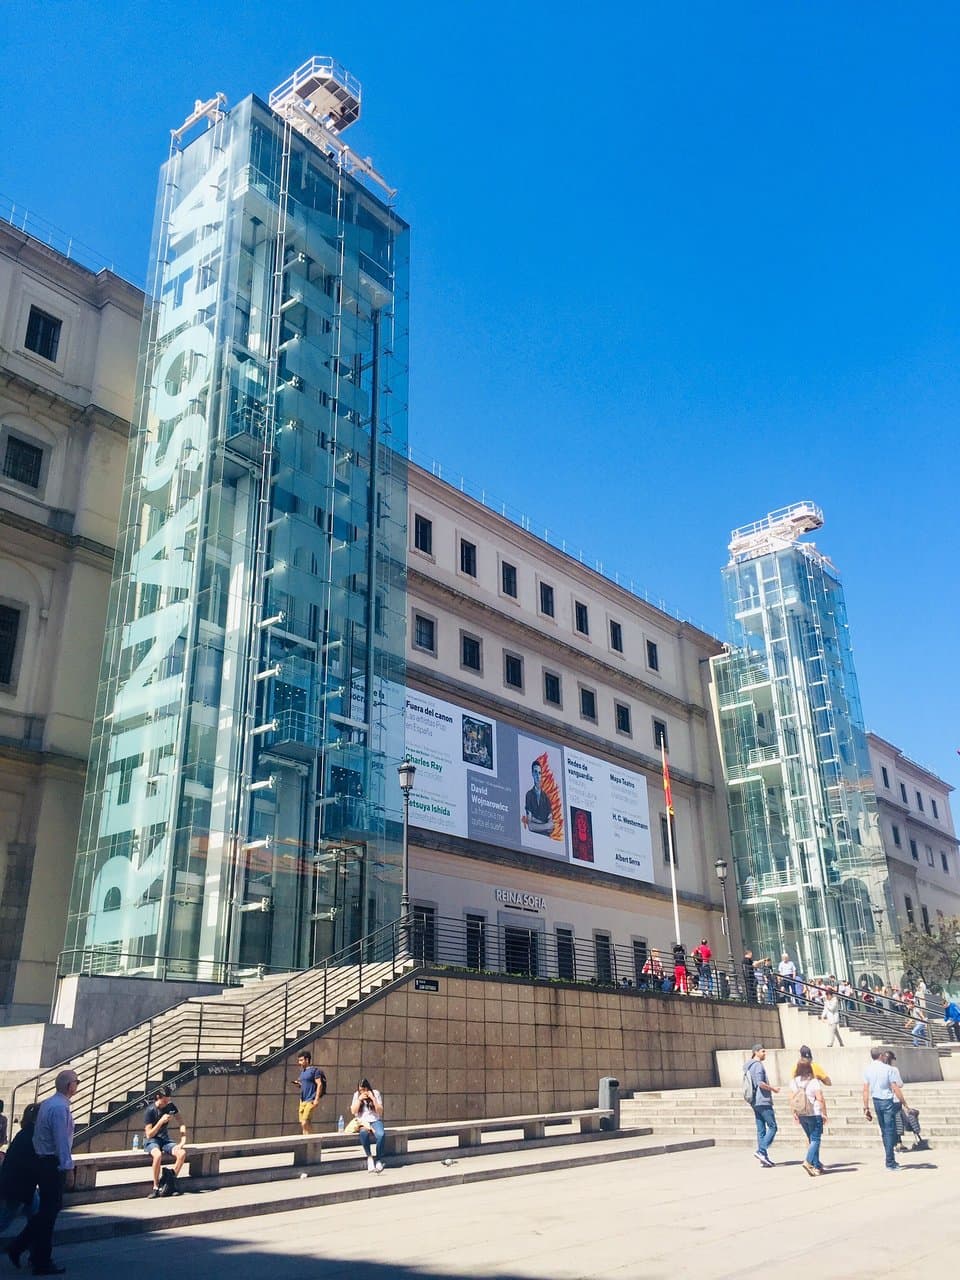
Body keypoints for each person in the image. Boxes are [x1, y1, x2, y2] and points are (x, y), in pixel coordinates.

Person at [7, 1068, 78, 1275]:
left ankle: (29, 1251)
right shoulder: (59, 1108)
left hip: (44, 1161)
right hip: (52, 1164)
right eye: (76, 1082)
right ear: (69, 1086)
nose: (77, 1085)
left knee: (48, 1211)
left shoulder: (48, 1104)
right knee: (49, 1212)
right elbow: (61, 1141)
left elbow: (39, 1136)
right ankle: (32, 1254)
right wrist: (67, 1167)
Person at [862, 1046, 913, 1171]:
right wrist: (905, 1103)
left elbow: (865, 1090)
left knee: (884, 1130)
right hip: (887, 1101)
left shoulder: (867, 1069)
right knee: (890, 1130)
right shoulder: (888, 1069)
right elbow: (895, 1087)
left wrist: (866, 1107)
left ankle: (889, 1157)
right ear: (880, 1056)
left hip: (876, 1101)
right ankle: (890, 1161)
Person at [0, 1104, 40, 1235]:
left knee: (34, 1213)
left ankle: (26, 1243)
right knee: (7, 1217)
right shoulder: (33, 1134)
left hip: (19, 1182)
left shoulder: (26, 1132)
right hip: (19, 1184)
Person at [143, 1086, 186, 1197]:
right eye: (165, 1101)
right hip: (151, 1141)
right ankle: (156, 1186)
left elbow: (181, 1122)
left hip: (165, 1140)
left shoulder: (170, 1106)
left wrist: (183, 1140)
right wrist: (161, 1121)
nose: (167, 1103)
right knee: (157, 1155)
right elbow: (149, 1134)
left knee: (182, 1153)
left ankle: (169, 1182)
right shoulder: (150, 1110)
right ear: (158, 1097)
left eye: (168, 1100)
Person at [790, 1058, 828, 1176]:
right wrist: (824, 1113)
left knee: (811, 1140)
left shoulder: (794, 1082)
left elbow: (792, 1098)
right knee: (815, 1139)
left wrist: (794, 1112)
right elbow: (820, 1098)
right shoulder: (813, 1081)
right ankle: (808, 1162)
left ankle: (817, 1166)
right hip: (814, 1113)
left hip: (802, 1114)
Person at [744, 1045, 779, 1167]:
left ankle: (763, 1159)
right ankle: (761, 1151)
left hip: (754, 1101)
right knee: (773, 1127)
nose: (765, 1053)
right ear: (756, 1052)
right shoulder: (758, 1065)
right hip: (762, 1100)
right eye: (763, 1051)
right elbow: (760, 1083)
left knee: (761, 1130)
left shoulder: (748, 1066)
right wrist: (773, 1089)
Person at [350, 1077, 385, 1173]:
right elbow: (353, 1111)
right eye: (360, 1090)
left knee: (381, 1135)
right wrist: (359, 1100)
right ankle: (369, 1157)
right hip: (363, 1122)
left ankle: (379, 1159)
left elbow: (380, 1111)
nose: (363, 1092)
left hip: (374, 1120)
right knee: (363, 1133)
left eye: (364, 1089)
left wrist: (373, 1098)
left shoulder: (375, 1093)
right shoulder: (357, 1095)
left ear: (368, 1088)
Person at [291, 1051, 327, 1135]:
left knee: (304, 1122)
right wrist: (298, 1084)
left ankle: (310, 1139)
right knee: (304, 1123)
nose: (299, 1062)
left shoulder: (315, 1071)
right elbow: (304, 1085)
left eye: (301, 1060)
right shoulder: (302, 1072)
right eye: (299, 1060)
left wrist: (316, 1099)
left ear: (307, 1060)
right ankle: (308, 1138)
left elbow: (319, 1084)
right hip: (302, 1100)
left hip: (311, 1099)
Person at [523, 761, 554, 835]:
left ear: (541, 775)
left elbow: (551, 827)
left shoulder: (546, 798)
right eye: (535, 772)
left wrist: (535, 821)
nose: (537, 775)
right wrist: (545, 825)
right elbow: (530, 826)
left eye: (539, 773)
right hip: (532, 838)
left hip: (546, 839)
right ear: (532, 774)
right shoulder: (529, 795)